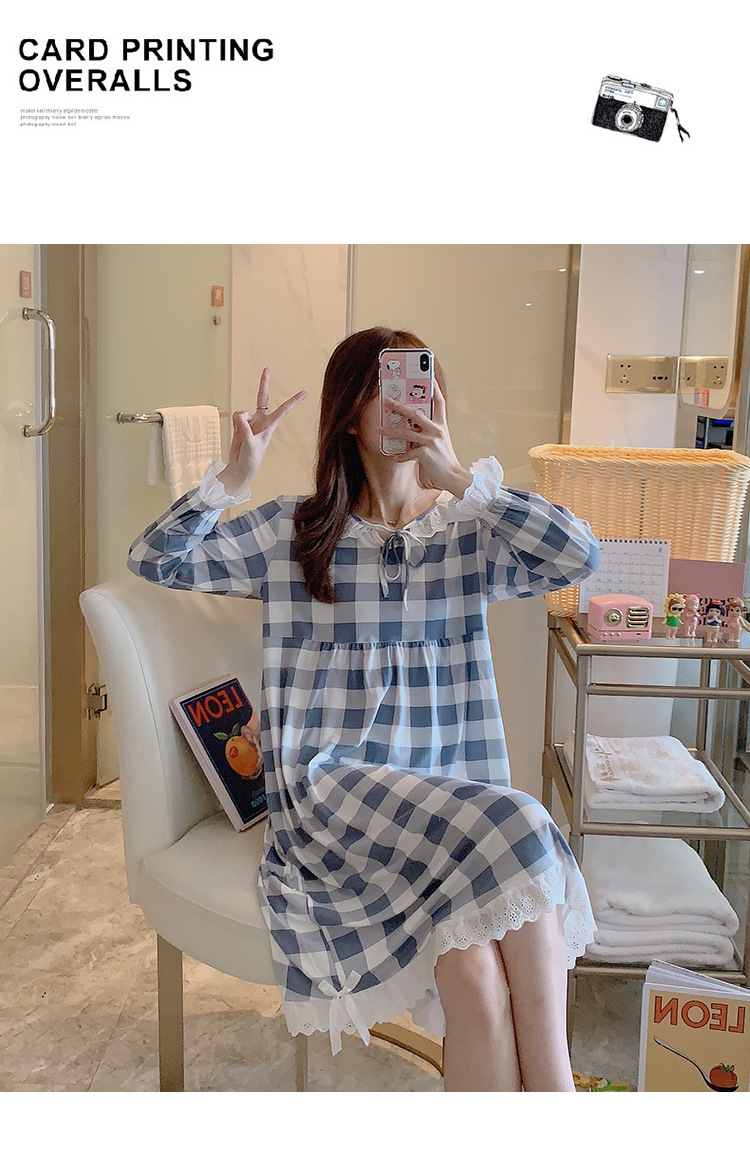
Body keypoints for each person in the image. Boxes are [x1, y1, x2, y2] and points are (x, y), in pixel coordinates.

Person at [128, 326, 600, 1092]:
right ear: (350, 412)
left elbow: (579, 558)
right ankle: (559, 1097)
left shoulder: (468, 530)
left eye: (420, 386)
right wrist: (232, 477)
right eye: (387, 390)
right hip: (332, 794)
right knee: (523, 819)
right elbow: (156, 559)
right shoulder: (294, 532)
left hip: (445, 814)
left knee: (478, 981)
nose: (408, 406)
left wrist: (461, 478)